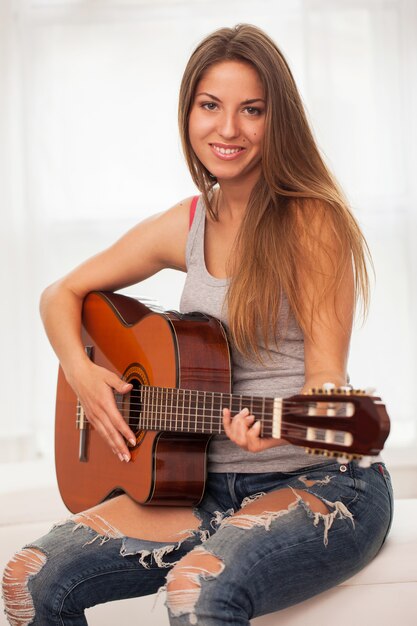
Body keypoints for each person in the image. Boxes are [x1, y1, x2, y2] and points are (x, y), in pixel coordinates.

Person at [2, 23, 393, 626]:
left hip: (322, 479)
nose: (228, 129)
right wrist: (82, 374)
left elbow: (326, 382)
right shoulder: (186, 223)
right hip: (200, 488)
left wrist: (286, 429)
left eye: (252, 110)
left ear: (277, 120)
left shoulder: (313, 223)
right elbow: (62, 293)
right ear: (189, 113)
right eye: (210, 106)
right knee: (29, 580)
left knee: (197, 593)